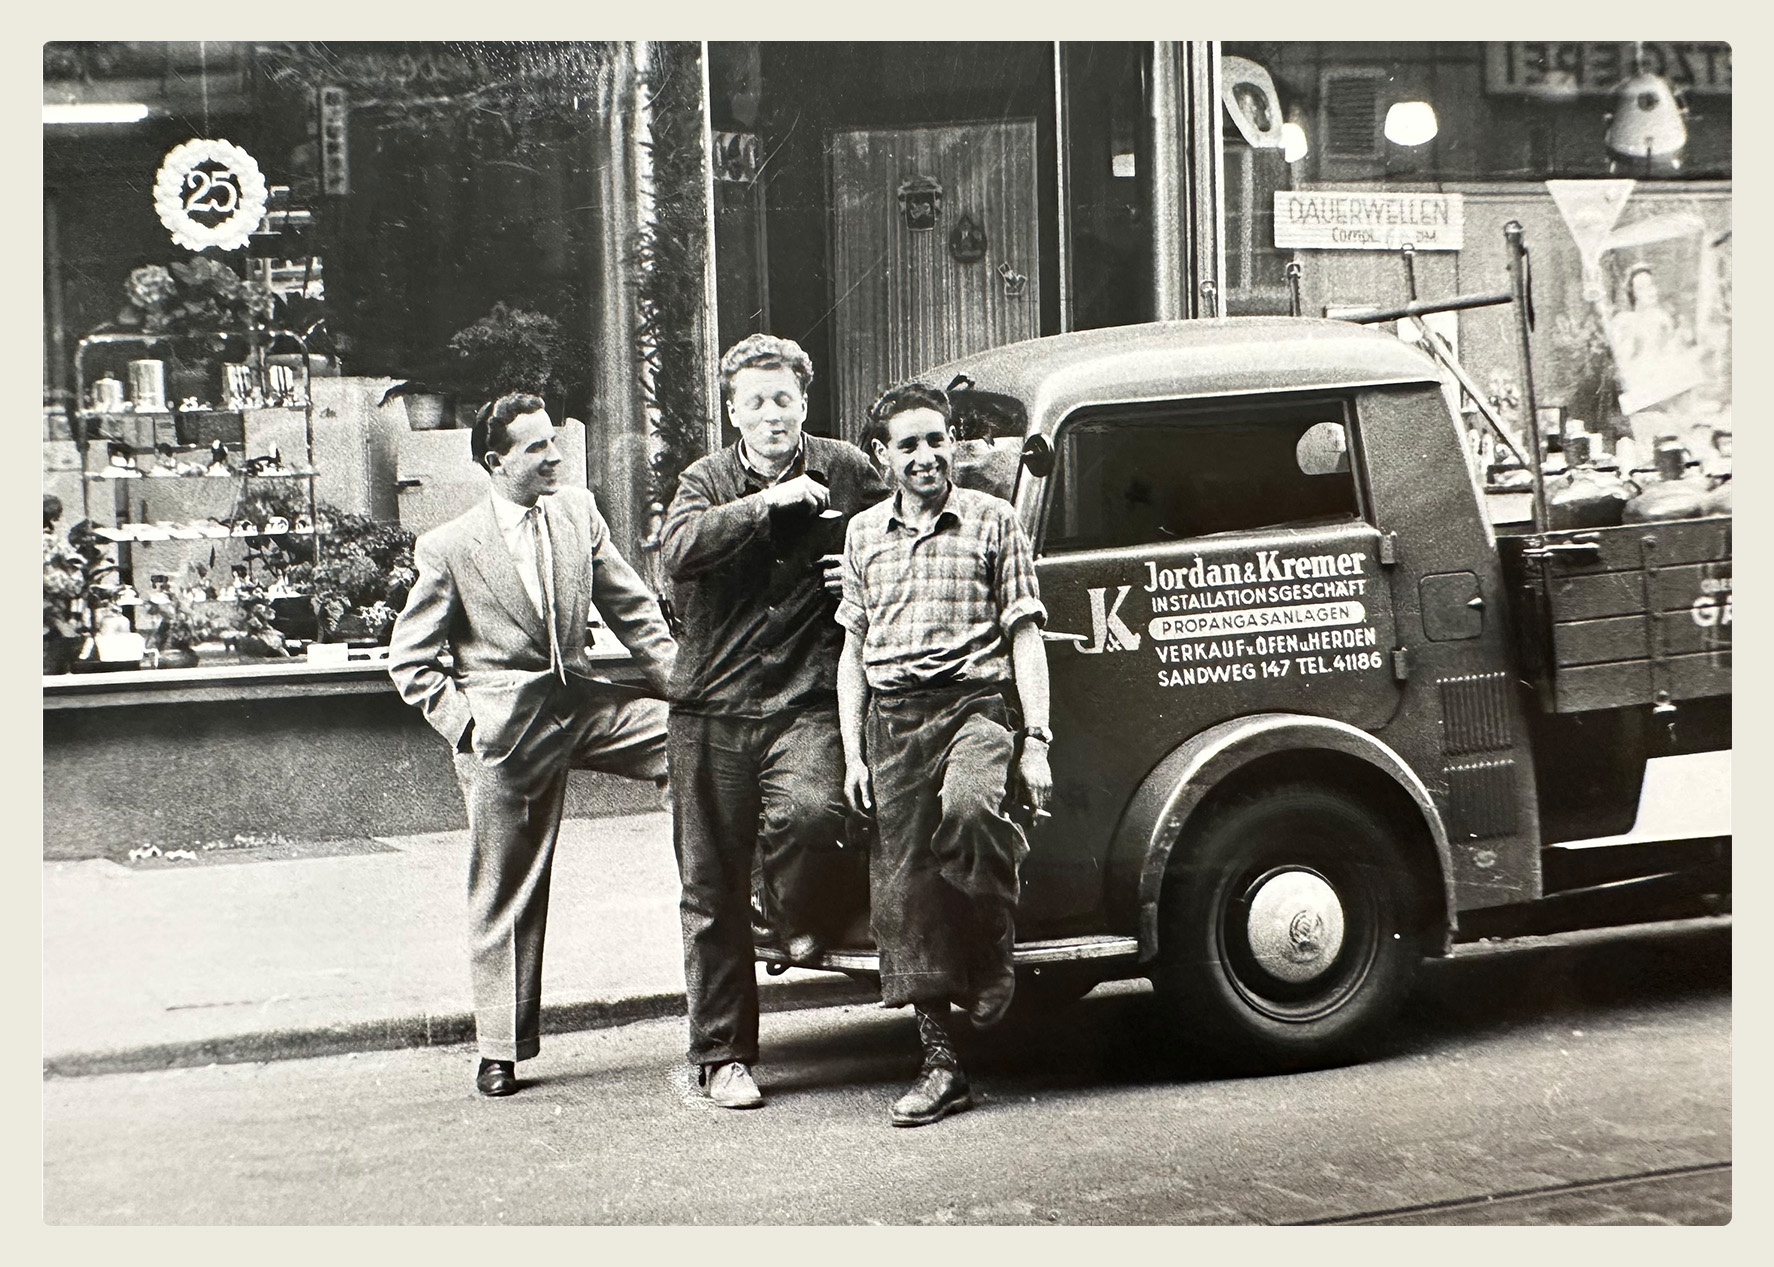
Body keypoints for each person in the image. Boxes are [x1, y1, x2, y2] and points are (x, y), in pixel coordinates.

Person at [388, 392, 676, 1098]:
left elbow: (634, 610)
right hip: (504, 731)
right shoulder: (450, 546)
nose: (555, 455)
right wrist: (466, 726)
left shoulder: (579, 512)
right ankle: (500, 1048)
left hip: (579, 704)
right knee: (506, 887)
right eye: (536, 447)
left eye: (554, 441)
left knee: (692, 743)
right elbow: (409, 660)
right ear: (496, 461)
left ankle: (748, 905)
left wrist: (689, 690)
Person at [662, 333, 888, 1109]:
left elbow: (912, 520)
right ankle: (722, 1054)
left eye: (783, 399)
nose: (771, 415)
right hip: (709, 706)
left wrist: (859, 563)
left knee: (815, 809)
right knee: (707, 885)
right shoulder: (706, 479)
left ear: (804, 404)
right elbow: (678, 550)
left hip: (805, 698)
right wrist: (764, 504)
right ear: (733, 412)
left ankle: (790, 911)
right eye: (754, 401)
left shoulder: (848, 469)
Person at [836, 382, 1053, 1127]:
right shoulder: (863, 533)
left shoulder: (995, 521)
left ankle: (994, 943)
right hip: (892, 721)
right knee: (904, 892)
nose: (928, 455)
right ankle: (941, 1064)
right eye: (909, 444)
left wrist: (1037, 742)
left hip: (975, 707)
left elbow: (1026, 634)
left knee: (969, 812)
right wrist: (853, 755)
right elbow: (853, 648)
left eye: (938, 439)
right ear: (882, 457)